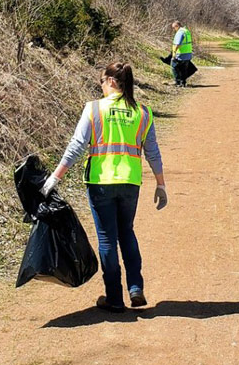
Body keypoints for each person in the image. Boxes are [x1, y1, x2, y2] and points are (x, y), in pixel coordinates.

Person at [41, 62, 167, 313]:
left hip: (100, 182)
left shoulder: (94, 109)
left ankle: (114, 298)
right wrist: (161, 184)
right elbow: (152, 152)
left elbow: (77, 147)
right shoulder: (143, 112)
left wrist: (55, 177)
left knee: (107, 239)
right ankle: (135, 288)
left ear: (110, 80)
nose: (100, 87)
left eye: (101, 82)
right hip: (130, 182)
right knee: (127, 233)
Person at [170, 21, 195, 86]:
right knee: (184, 68)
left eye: (173, 27)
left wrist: (174, 52)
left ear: (177, 26)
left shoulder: (180, 32)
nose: (173, 29)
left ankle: (177, 82)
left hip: (180, 54)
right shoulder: (187, 31)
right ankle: (183, 82)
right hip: (188, 53)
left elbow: (178, 44)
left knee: (174, 66)